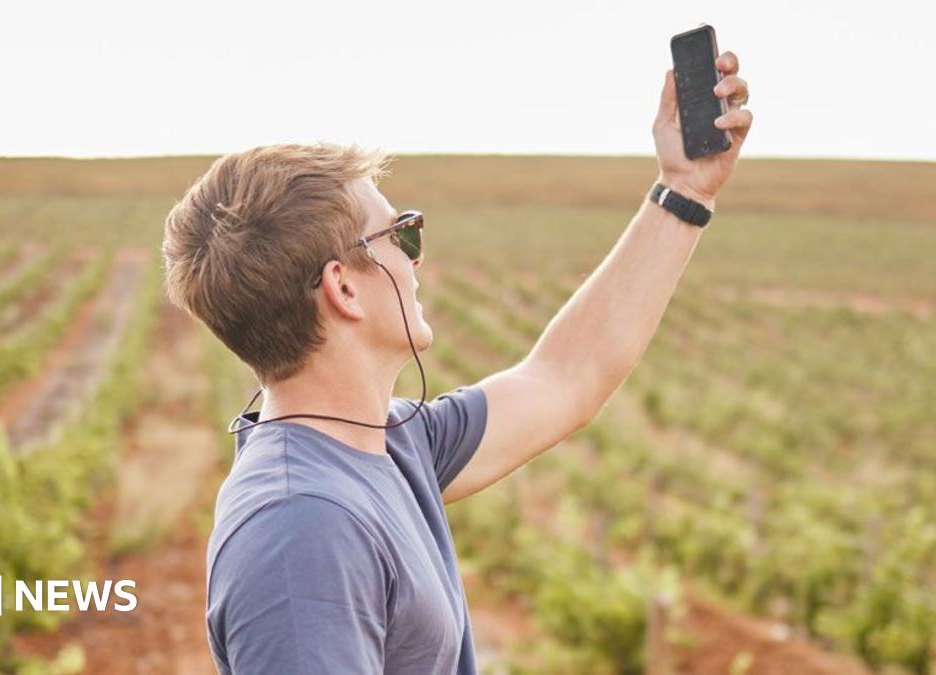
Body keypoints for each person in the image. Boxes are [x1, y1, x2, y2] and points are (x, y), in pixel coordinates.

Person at [161, 52, 751, 675]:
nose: (416, 260)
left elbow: (566, 378)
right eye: (402, 235)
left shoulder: (390, 442)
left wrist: (684, 189)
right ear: (344, 288)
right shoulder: (302, 532)